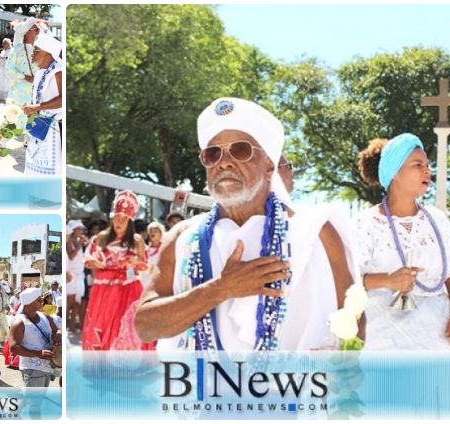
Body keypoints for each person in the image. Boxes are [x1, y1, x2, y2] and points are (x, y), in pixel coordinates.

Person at [136, 97, 357, 352]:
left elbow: (353, 313)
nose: (224, 162)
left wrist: (345, 362)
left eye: (240, 150)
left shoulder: (316, 232)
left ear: (269, 165)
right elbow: (145, 326)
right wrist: (221, 288)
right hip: (199, 389)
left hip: (293, 389)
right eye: (213, 153)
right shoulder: (182, 237)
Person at [355, 134, 450, 351]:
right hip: (382, 324)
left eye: (427, 165)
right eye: (417, 164)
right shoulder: (366, 223)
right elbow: (349, 281)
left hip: (441, 322)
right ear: (395, 173)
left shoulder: (437, 219)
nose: (426, 170)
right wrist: (388, 280)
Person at [81, 190, 149, 350]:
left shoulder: (136, 240)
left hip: (128, 287)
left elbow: (144, 265)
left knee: (125, 325)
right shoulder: (101, 237)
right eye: (117, 215)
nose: (120, 220)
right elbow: (88, 260)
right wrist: (99, 263)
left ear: (130, 220)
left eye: (124, 217)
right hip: (104, 288)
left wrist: (134, 261)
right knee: (102, 324)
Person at [23, 33, 62, 176]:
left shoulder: (59, 71)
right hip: (39, 125)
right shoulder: (40, 73)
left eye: (36, 51)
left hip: (53, 126)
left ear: (47, 53)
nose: (32, 54)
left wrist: (39, 107)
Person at [9, 288, 60, 388]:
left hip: (48, 366)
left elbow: (57, 330)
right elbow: (13, 347)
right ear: (29, 302)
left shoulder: (45, 316)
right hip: (32, 369)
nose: (42, 301)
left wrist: (58, 335)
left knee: (38, 400)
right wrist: (37, 354)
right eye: (38, 300)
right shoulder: (19, 323)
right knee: (33, 402)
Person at [5, 18, 43, 108]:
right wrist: (26, 77)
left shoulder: (40, 49)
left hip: (38, 94)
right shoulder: (17, 50)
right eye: (36, 29)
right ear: (27, 33)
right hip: (20, 95)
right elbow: (8, 70)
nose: (38, 30)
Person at [67, 219, 87, 330]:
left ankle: (72, 325)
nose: (81, 231)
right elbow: (71, 256)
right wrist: (79, 244)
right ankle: (66, 324)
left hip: (80, 276)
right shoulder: (69, 241)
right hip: (71, 275)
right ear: (73, 230)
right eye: (78, 229)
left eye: (81, 229)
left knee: (77, 302)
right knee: (70, 301)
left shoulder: (79, 240)